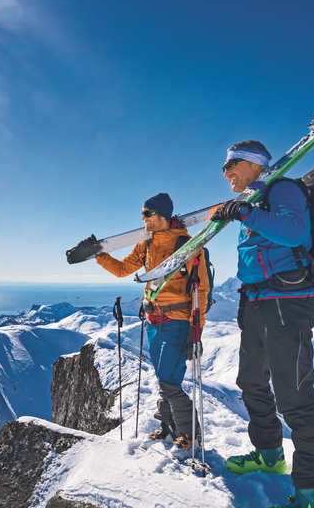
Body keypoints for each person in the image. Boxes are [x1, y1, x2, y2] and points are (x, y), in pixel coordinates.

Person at [212, 140, 314, 508]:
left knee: (295, 396)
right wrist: (243, 211)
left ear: (254, 164)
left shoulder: (282, 189)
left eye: (231, 164)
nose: (226, 172)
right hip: (257, 301)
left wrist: (246, 214)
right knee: (251, 382)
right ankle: (268, 454)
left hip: (287, 301)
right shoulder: (254, 200)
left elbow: (294, 233)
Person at [94, 192, 210, 451]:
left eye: (147, 213)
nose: (143, 219)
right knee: (163, 377)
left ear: (162, 216)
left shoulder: (189, 247)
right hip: (153, 320)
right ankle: (169, 427)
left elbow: (201, 292)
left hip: (177, 321)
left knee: (169, 380)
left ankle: (191, 434)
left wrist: (196, 333)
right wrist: (100, 255)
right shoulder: (145, 245)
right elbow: (123, 269)